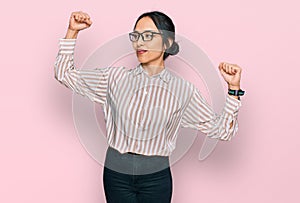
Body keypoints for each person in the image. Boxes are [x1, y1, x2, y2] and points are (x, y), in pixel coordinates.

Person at [54, 10, 244, 203]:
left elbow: (223, 131)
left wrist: (233, 89)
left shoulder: (183, 91)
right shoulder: (114, 78)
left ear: (167, 43)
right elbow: (64, 74)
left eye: (148, 36)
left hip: (156, 176)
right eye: (136, 36)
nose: (140, 42)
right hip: (116, 172)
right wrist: (72, 31)